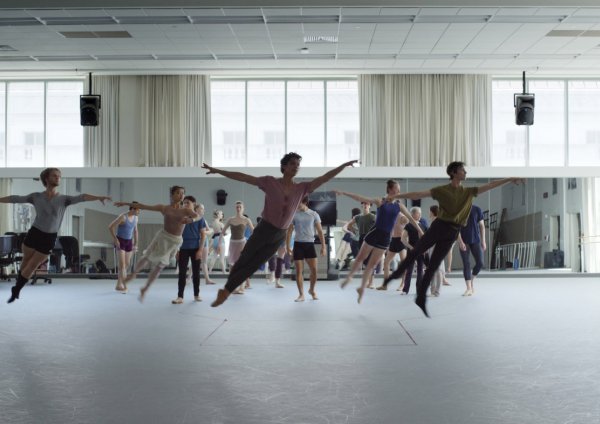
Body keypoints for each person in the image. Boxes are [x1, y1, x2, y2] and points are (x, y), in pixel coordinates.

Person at [202, 153, 357, 307]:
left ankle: (226, 291)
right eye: (293, 164)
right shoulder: (270, 182)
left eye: (298, 165)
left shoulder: (302, 188)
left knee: (254, 264)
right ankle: (226, 290)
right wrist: (217, 170)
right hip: (265, 228)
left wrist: (343, 166)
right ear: (284, 166)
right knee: (244, 259)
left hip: (280, 234)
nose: (296, 167)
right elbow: (244, 177)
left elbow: (324, 178)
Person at [381, 162, 522, 317]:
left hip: (453, 232)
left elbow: (490, 185)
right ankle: (394, 276)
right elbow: (418, 194)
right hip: (439, 226)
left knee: (433, 264)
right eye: (462, 170)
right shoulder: (443, 190)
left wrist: (509, 179)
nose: (465, 172)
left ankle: (420, 298)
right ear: (454, 173)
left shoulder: (469, 192)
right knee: (416, 251)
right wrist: (396, 196)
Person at [0, 167, 111, 303]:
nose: (58, 178)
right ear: (46, 179)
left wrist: (98, 197)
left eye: (59, 176)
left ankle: (16, 289)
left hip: (49, 237)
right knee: (26, 261)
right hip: (34, 232)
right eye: (54, 175)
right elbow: (15, 198)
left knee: (33, 265)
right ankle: (18, 285)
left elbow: (82, 197)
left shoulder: (64, 199)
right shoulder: (36, 196)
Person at [336, 179, 422, 304]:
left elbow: (411, 219)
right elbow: (360, 197)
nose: (399, 191)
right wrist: (344, 193)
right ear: (390, 190)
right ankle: (349, 277)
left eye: (399, 189)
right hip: (375, 233)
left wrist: (420, 230)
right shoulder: (380, 201)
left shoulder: (399, 206)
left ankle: (361, 288)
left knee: (372, 264)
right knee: (360, 257)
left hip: (386, 238)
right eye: (396, 189)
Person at [114, 186, 198, 302]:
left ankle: (145, 288)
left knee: (160, 266)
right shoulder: (164, 208)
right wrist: (125, 203)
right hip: (163, 236)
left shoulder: (186, 210)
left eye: (183, 193)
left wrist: (191, 220)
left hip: (175, 241)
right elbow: (144, 206)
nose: (181, 195)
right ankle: (133, 274)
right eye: (178, 193)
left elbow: (198, 216)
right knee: (146, 256)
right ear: (172, 195)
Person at [286, 196, 326, 302]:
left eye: (298, 202)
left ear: (305, 202)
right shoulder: (294, 215)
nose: (296, 205)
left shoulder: (314, 214)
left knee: (314, 271)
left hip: (309, 245)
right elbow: (289, 231)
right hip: (298, 244)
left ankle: (312, 290)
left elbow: (320, 231)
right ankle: (301, 294)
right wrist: (287, 246)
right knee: (299, 271)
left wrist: (323, 247)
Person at [172, 195, 208, 304]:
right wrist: (176, 250)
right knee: (182, 273)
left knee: (196, 273)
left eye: (188, 202)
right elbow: (176, 235)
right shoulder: (180, 218)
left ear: (194, 204)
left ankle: (196, 295)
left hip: (195, 248)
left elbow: (203, 235)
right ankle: (180, 297)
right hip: (183, 248)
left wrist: (200, 250)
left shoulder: (200, 218)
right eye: (184, 203)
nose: (185, 204)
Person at [220, 201, 254, 294]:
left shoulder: (246, 219)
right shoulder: (230, 219)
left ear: (243, 208)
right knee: (232, 265)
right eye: (237, 207)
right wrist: (219, 244)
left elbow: (253, 232)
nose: (238, 208)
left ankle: (242, 287)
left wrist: (251, 244)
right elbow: (222, 232)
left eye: (240, 207)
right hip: (232, 243)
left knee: (242, 264)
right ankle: (232, 286)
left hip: (241, 243)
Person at [108, 202, 140, 293]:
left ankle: (118, 285)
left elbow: (135, 231)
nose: (139, 212)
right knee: (122, 265)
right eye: (138, 210)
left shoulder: (136, 218)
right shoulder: (123, 217)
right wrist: (115, 239)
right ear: (132, 209)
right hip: (120, 241)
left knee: (127, 264)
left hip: (129, 242)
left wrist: (136, 244)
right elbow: (110, 227)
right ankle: (124, 286)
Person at [458, 204, 486, 297]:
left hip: (476, 240)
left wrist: (483, 241)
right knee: (466, 263)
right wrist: (460, 241)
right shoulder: (458, 210)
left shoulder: (477, 209)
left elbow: (482, 226)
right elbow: (456, 228)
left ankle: (472, 279)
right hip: (463, 241)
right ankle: (469, 288)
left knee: (480, 262)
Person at [378, 213, 409, 288]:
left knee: (403, 263)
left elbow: (408, 222)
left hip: (401, 241)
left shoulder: (401, 216)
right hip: (393, 240)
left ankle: (403, 284)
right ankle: (385, 285)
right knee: (386, 262)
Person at [427, 205, 446, 297]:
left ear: (432, 212)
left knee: (437, 269)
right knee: (436, 269)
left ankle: (436, 291)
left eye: (429, 211)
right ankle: (434, 291)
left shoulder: (436, 222)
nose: (429, 213)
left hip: (436, 247)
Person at [194, 203, 215, 285]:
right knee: (195, 261)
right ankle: (188, 278)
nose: (204, 210)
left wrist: (203, 232)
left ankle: (207, 279)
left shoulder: (203, 220)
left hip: (204, 241)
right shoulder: (192, 219)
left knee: (204, 261)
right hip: (196, 242)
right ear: (196, 209)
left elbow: (210, 231)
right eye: (202, 208)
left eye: (203, 208)